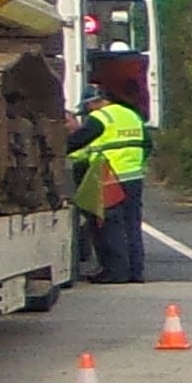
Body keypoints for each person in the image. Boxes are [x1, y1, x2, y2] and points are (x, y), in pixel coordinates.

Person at [74, 88, 150, 284]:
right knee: (131, 225)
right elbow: (148, 144)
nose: (88, 112)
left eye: (88, 107)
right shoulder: (131, 115)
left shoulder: (101, 117)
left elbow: (79, 140)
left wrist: (57, 149)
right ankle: (135, 271)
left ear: (95, 102)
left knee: (109, 226)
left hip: (110, 177)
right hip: (133, 177)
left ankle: (115, 272)